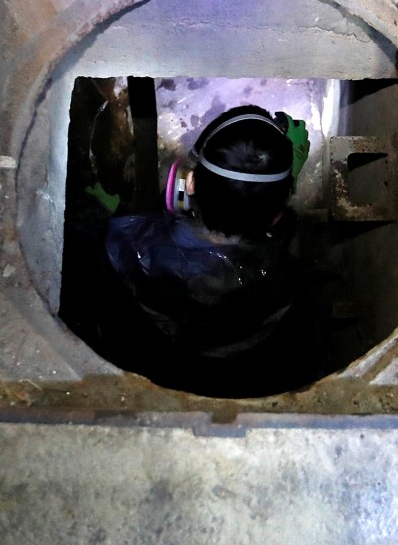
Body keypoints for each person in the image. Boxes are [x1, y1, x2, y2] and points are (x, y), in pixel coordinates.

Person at [101, 104, 323, 397]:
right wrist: (281, 181)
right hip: (236, 378)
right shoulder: (285, 280)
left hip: (157, 365)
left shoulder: (128, 243)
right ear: (276, 215)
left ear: (188, 183)